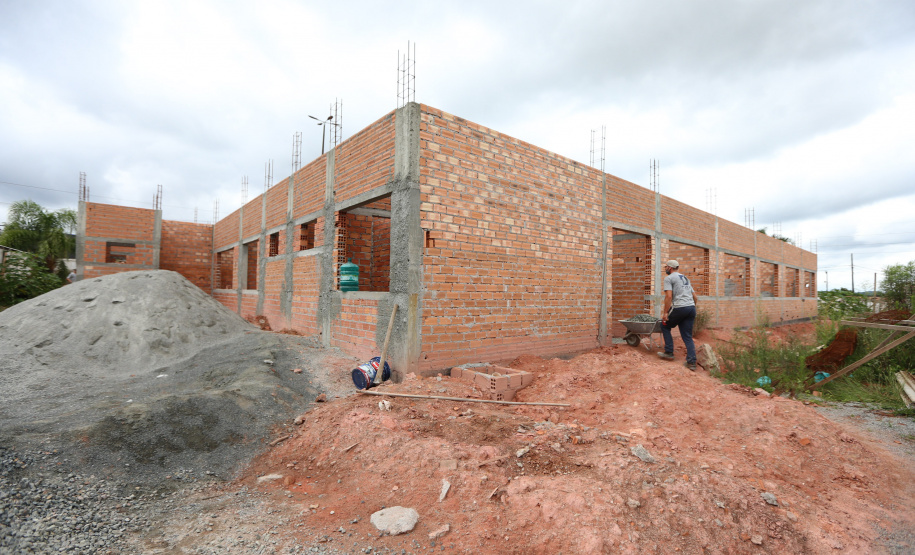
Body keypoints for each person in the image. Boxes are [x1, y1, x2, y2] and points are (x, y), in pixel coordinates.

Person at [657, 259, 699, 370]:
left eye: (666, 267)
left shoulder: (669, 278)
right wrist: (691, 308)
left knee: (664, 325)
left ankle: (669, 352)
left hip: (680, 307)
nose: (665, 269)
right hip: (691, 308)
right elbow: (695, 297)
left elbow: (669, 297)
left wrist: (665, 313)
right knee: (687, 336)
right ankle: (691, 363)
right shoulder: (685, 278)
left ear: (670, 268)